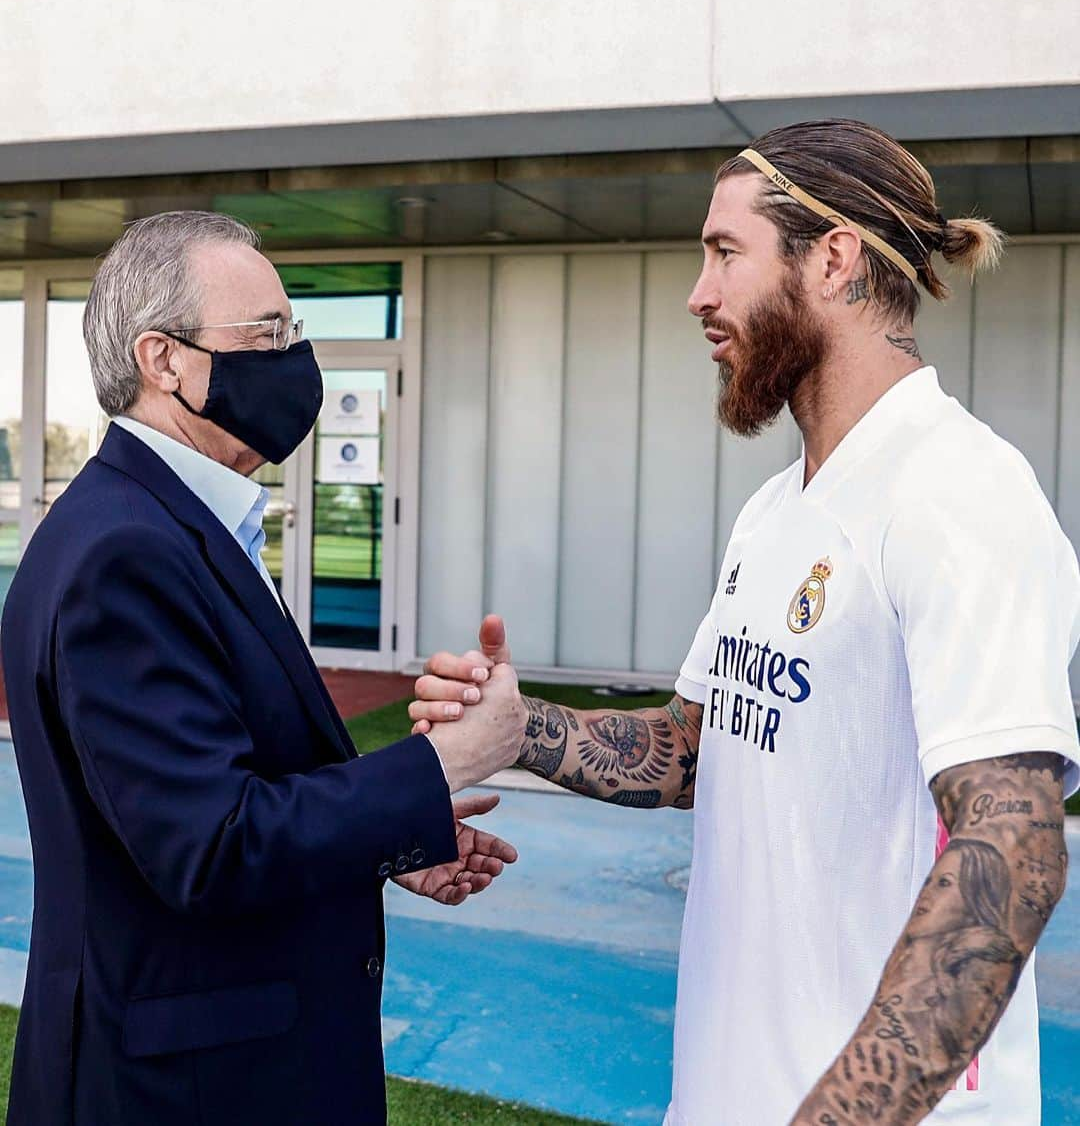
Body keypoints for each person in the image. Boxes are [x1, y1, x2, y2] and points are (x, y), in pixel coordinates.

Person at [410, 120, 1080, 1125]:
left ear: (834, 258)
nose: (700, 293)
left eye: (726, 253)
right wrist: (524, 731)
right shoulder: (776, 512)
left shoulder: (959, 492)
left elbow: (1015, 841)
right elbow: (695, 750)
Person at [0, 212, 525, 1126]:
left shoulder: (168, 524)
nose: (296, 359)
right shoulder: (124, 551)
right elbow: (213, 846)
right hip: (182, 1091)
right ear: (164, 360)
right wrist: (449, 762)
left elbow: (230, 791)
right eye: (270, 334)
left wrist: (393, 840)